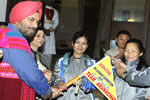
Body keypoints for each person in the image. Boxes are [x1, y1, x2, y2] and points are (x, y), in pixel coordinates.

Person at [0, 1, 61, 100]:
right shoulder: (14, 40)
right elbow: (31, 74)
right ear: (17, 19)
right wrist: (47, 92)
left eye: (37, 22)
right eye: (31, 20)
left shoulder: (4, 35)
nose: (35, 26)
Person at [53, 31, 96, 100]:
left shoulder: (92, 63)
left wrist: (82, 83)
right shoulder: (62, 61)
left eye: (83, 43)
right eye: (77, 42)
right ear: (72, 43)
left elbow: (94, 85)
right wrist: (59, 83)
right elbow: (56, 78)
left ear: (87, 46)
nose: (80, 46)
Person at [43, 0, 59, 68]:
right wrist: (43, 29)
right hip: (41, 33)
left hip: (50, 34)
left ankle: (47, 68)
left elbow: (56, 23)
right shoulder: (41, 9)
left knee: (49, 53)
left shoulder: (55, 11)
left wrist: (50, 30)